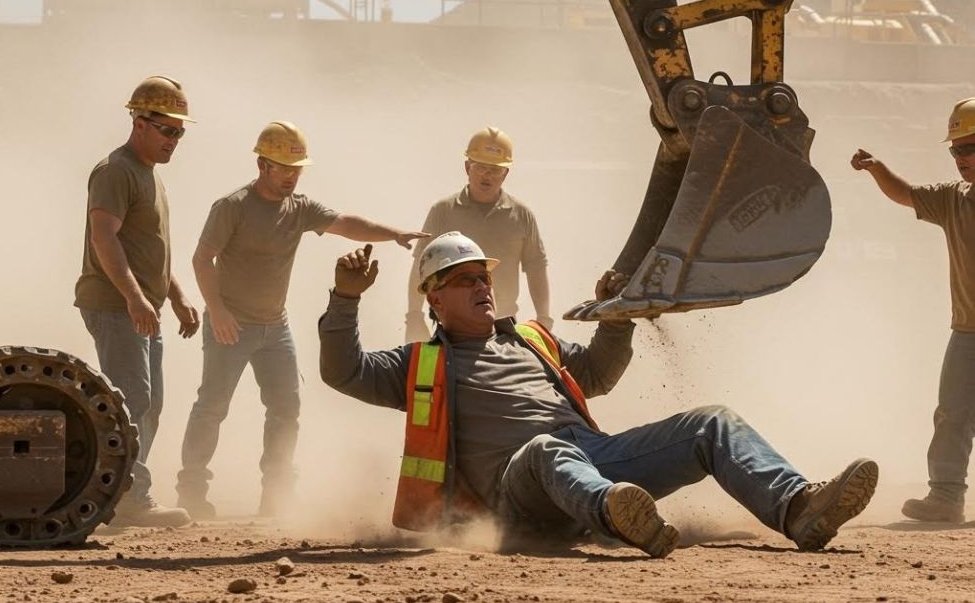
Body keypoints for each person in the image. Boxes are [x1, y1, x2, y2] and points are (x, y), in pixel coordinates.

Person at [320, 232, 878, 555]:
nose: (482, 286)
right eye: (465, 280)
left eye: (483, 276)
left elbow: (599, 374)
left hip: (594, 458)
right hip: (519, 495)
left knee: (710, 422)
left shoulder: (533, 340)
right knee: (545, 448)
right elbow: (343, 372)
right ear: (435, 300)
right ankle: (616, 516)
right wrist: (346, 300)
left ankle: (798, 507)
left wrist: (617, 316)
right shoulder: (419, 364)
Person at [176, 120, 428, 519]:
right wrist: (218, 311)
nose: (291, 177)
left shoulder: (301, 208)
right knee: (212, 406)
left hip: (275, 327)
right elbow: (201, 259)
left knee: (286, 407)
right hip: (231, 324)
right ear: (262, 165)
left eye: (297, 169)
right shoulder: (233, 207)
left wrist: (394, 234)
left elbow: (345, 224)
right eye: (283, 168)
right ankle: (191, 490)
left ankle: (276, 494)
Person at [75, 76, 200, 528]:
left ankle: (122, 490)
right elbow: (104, 236)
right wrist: (133, 296)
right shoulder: (116, 170)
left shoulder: (149, 176)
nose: (175, 140)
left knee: (151, 401)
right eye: (168, 130)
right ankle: (129, 496)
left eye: (180, 132)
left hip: (141, 305)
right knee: (132, 397)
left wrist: (180, 296)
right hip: (115, 304)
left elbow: (151, 249)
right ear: (139, 122)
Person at [852, 96, 975, 524]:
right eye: (956, 149)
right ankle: (945, 498)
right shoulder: (953, 200)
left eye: (970, 147)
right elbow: (905, 195)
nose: (962, 157)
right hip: (968, 331)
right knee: (952, 415)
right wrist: (876, 168)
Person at [406, 126, 550, 342]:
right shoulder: (443, 211)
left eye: (496, 169)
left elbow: (536, 268)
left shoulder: (521, 215)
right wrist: (414, 316)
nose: (487, 175)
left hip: (504, 326)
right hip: (451, 326)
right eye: (481, 167)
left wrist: (544, 320)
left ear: (506, 173)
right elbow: (421, 266)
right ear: (467, 167)